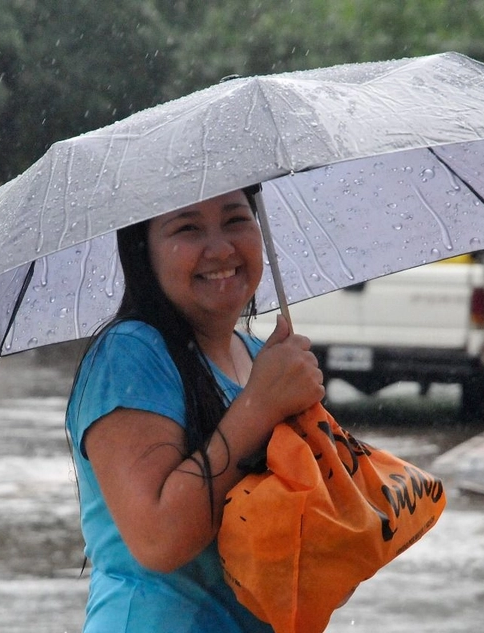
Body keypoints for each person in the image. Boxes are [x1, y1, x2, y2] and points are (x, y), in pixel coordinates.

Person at [65, 187, 325, 632]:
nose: (221, 249)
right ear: (142, 251)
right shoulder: (129, 353)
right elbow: (158, 540)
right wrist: (261, 406)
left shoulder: (261, 356)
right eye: (187, 228)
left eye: (236, 220)